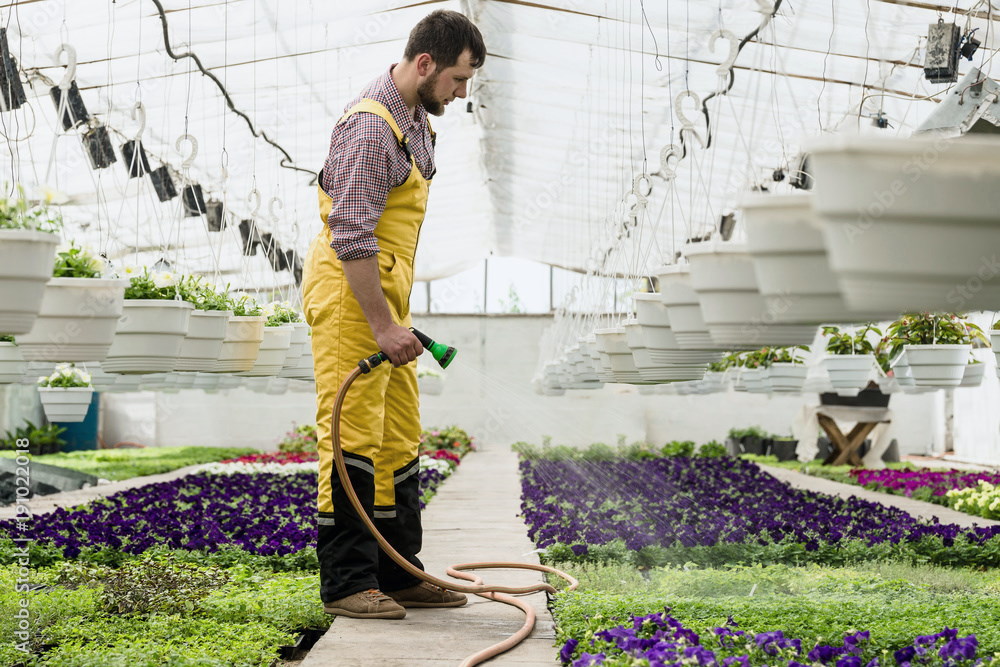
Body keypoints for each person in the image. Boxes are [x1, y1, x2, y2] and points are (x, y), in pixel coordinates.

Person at [301, 10, 486, 620]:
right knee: (351, 433)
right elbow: (351, 234)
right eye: (458, 79)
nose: (460, 93)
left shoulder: (414, 123)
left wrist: (394, 314)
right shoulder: (369, 128)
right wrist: (382, 324)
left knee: (399, 434)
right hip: (349, 299)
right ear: (425, 63)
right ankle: (347, 582)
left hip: (384, 299)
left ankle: (398, 571)